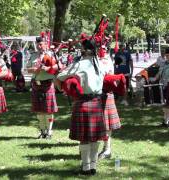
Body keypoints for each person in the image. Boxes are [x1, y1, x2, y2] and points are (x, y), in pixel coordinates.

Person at [56, 38, 107, 175]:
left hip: (82, 103)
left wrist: (63, 88)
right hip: (97, 103)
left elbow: (60, 77)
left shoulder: (79, 64)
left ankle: (86, 167)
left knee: (84, 138)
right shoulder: (101, 64)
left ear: (84, 51)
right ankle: (93, 166)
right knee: (95, 137)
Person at [27, 37, 59, 139]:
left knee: (48, 110)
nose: (39, 46)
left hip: (48, 84)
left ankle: (49, 131)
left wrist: (48, 68)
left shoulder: (51, 55)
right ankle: (42, 131)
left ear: (46, 45)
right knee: (39, 110)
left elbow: (58, 67)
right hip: (36, 84)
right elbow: (28, 69)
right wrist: (36, 69)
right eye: (38, 44)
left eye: (41, 44)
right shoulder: (33, 56)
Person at [98, 47, 121, 159]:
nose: (102, 50)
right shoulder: (94, 59)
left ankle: (107, 149)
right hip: (95, 94)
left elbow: (109, 76)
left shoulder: (107, 60)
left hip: (106, 93)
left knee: (106, 125)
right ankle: (99, 148)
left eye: (104, 48)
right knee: (97, 124)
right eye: (99, 47)